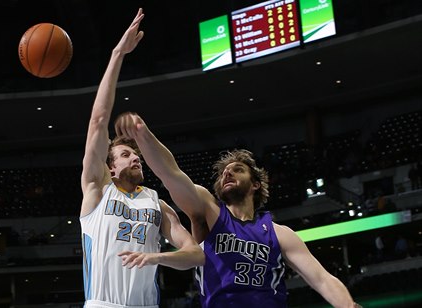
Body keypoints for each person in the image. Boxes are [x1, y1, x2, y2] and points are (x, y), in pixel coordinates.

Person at [115, 112, 361, 308]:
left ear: (255, 184)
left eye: (237, 170)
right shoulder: (207, 211)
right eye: (223, 173)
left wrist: (348, 305)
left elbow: (321, 278)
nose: (227, 173)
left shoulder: (280, 234)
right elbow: (169, 172)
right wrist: (142, 135)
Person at [79, 9, 204, 308]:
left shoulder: (156, 203)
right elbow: (98, 120)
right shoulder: (97, 190)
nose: (135, 159)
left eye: (136, 155)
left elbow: (197, 254)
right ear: (110, 167)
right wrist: (117, 54)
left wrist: (156, 257)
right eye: (125, 155)